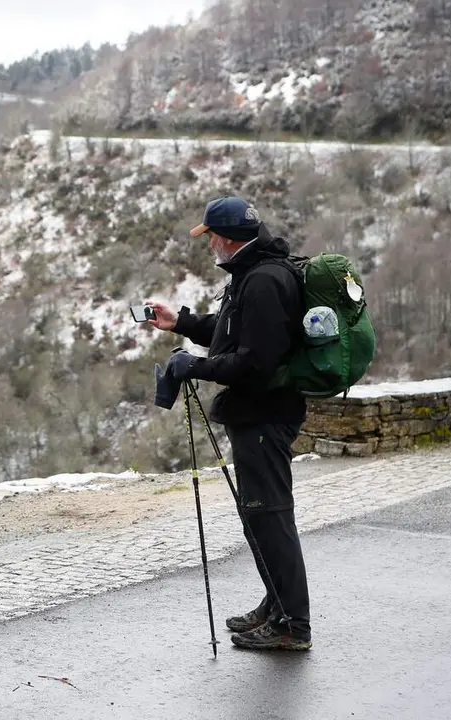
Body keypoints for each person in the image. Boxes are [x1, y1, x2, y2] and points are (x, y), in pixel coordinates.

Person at [145, 196, 312, 651]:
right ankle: (276, 604)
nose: (210, 245)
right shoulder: (255, 273)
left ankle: (292, 624)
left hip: (265, 414)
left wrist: (193, 368)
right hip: (259, 414)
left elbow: (254, 363)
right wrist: (180, 323)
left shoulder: (263, 281)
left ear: (225, 237)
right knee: (259, 517)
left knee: (270, 518)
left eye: (211, 237)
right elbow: (231, 332)